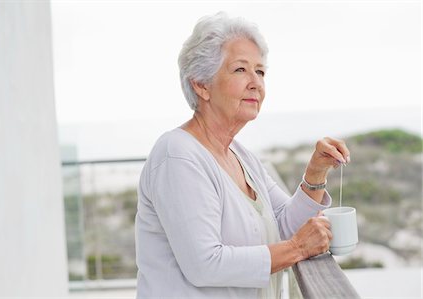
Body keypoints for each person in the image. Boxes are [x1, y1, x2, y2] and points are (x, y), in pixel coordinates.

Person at [135, 12, 350, 298]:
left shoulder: (240, 154)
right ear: (201, 84)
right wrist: (298, 249)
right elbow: (204, 264)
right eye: (240, 70)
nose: (255, 83)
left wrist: (315, 173)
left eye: (260, 72)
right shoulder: (177, 155)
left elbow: (285, 226)